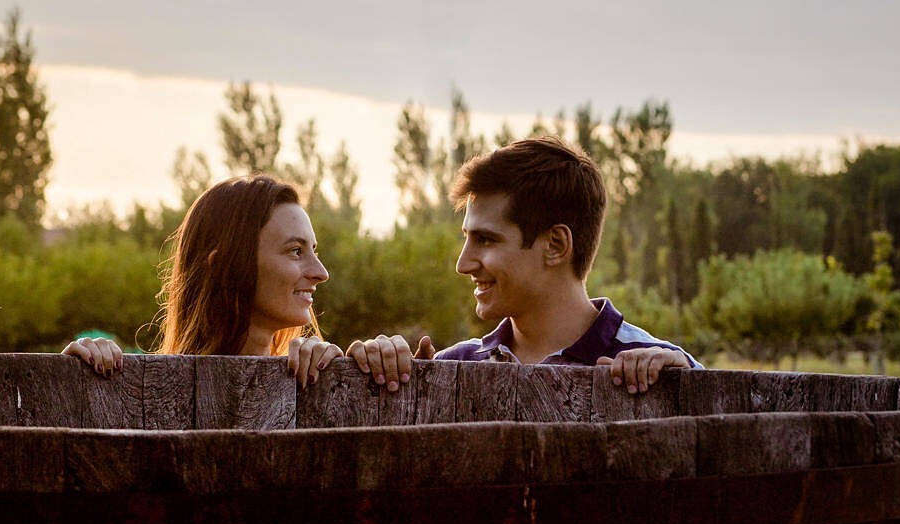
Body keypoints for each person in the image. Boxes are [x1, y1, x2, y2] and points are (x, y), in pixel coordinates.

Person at [350, 137, 702, 394]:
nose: (463, 263)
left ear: (555, 245)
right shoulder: (453, 367)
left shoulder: (659, 367)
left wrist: (689, 389)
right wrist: (375, 376)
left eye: (486, 240)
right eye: (466, 238)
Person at [64, 175, 343, 388]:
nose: (321, 272)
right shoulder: (144, 390)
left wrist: (378, 363)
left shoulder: (311, 379)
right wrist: (71, 376)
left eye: (313, 251)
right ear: (226, 265)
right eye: (296, 251)